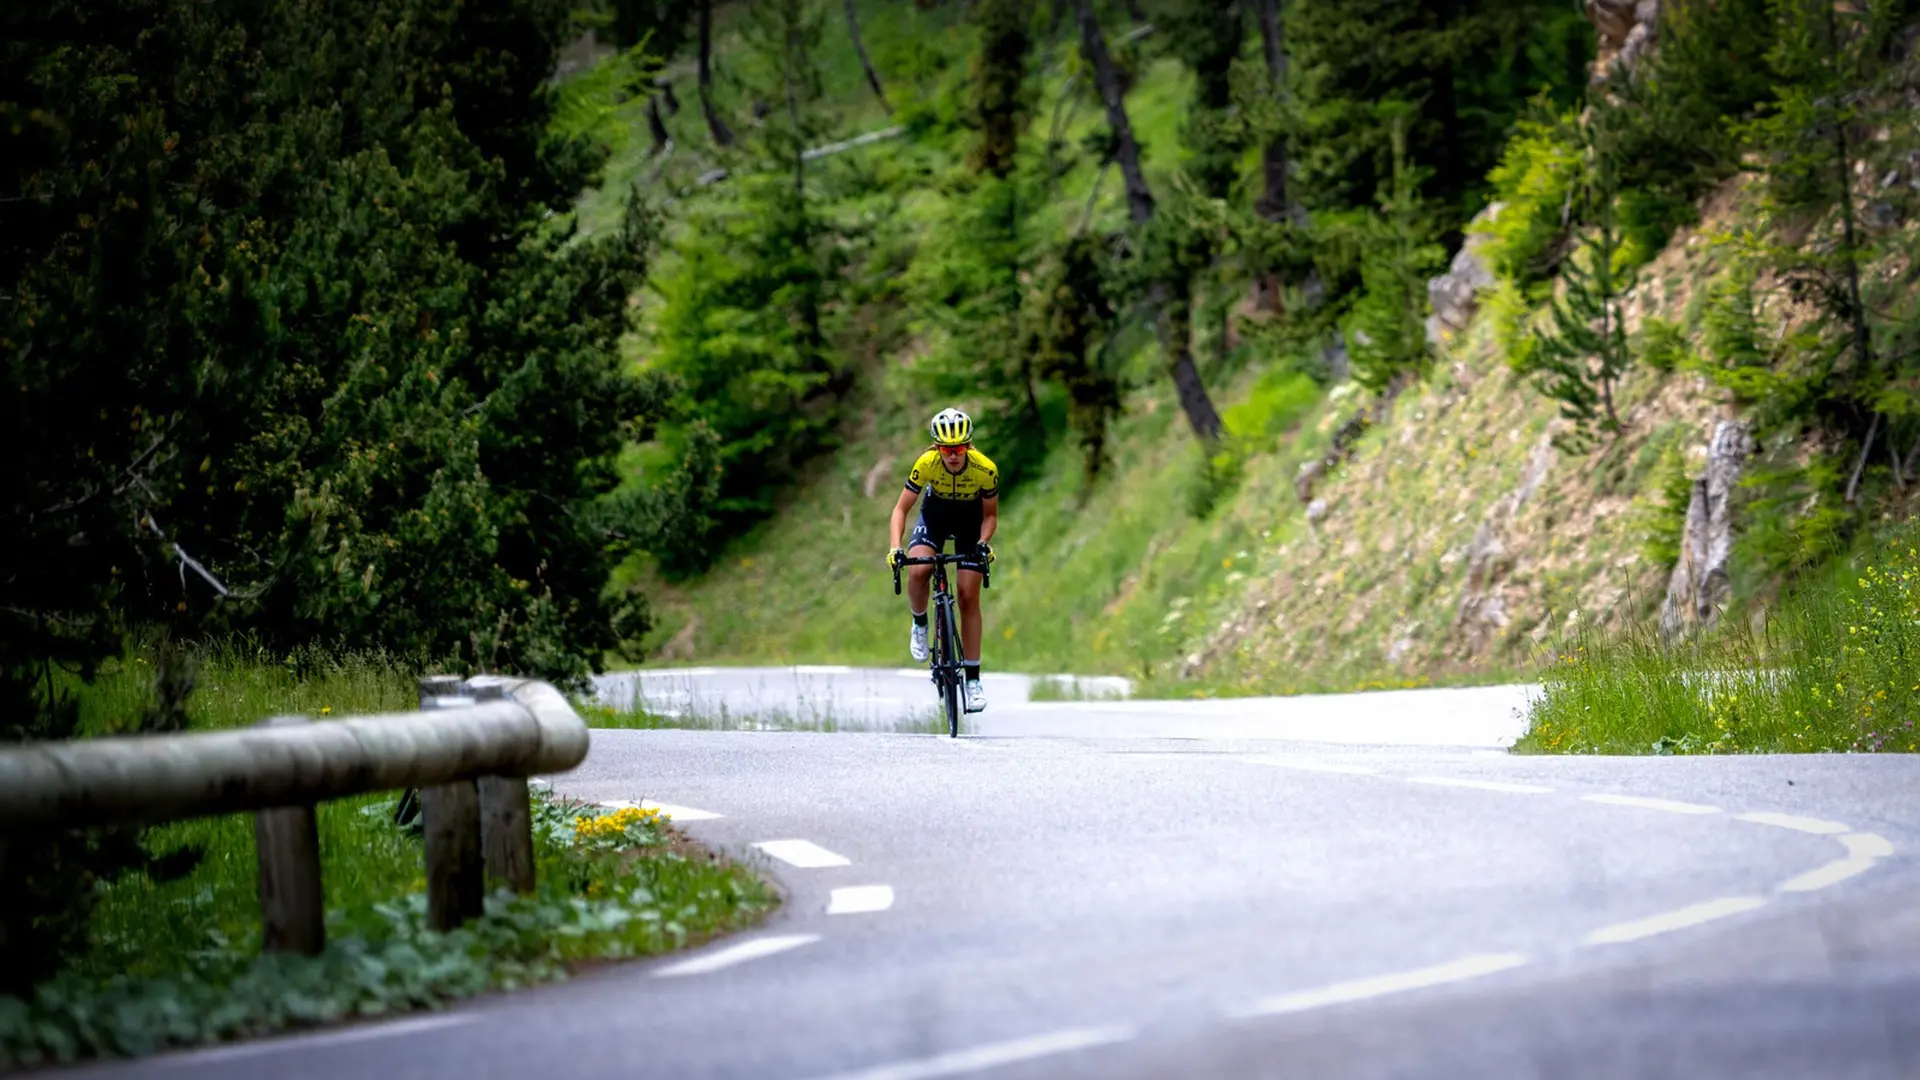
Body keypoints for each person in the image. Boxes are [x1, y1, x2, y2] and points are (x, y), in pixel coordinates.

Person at [887, 407, 997, 712]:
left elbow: (990, 516)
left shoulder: (985, 469)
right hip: (934, 518)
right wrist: (895, 548)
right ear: (937, 447)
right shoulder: (925, 464)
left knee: (967, 594)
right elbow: (900, 510)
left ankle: (973, 681)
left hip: (969, 523)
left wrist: (982, 543)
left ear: (968, 446)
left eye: (959, 448)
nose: (953, 455)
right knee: (919, 569)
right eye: (947, 449)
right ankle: (920, 623)